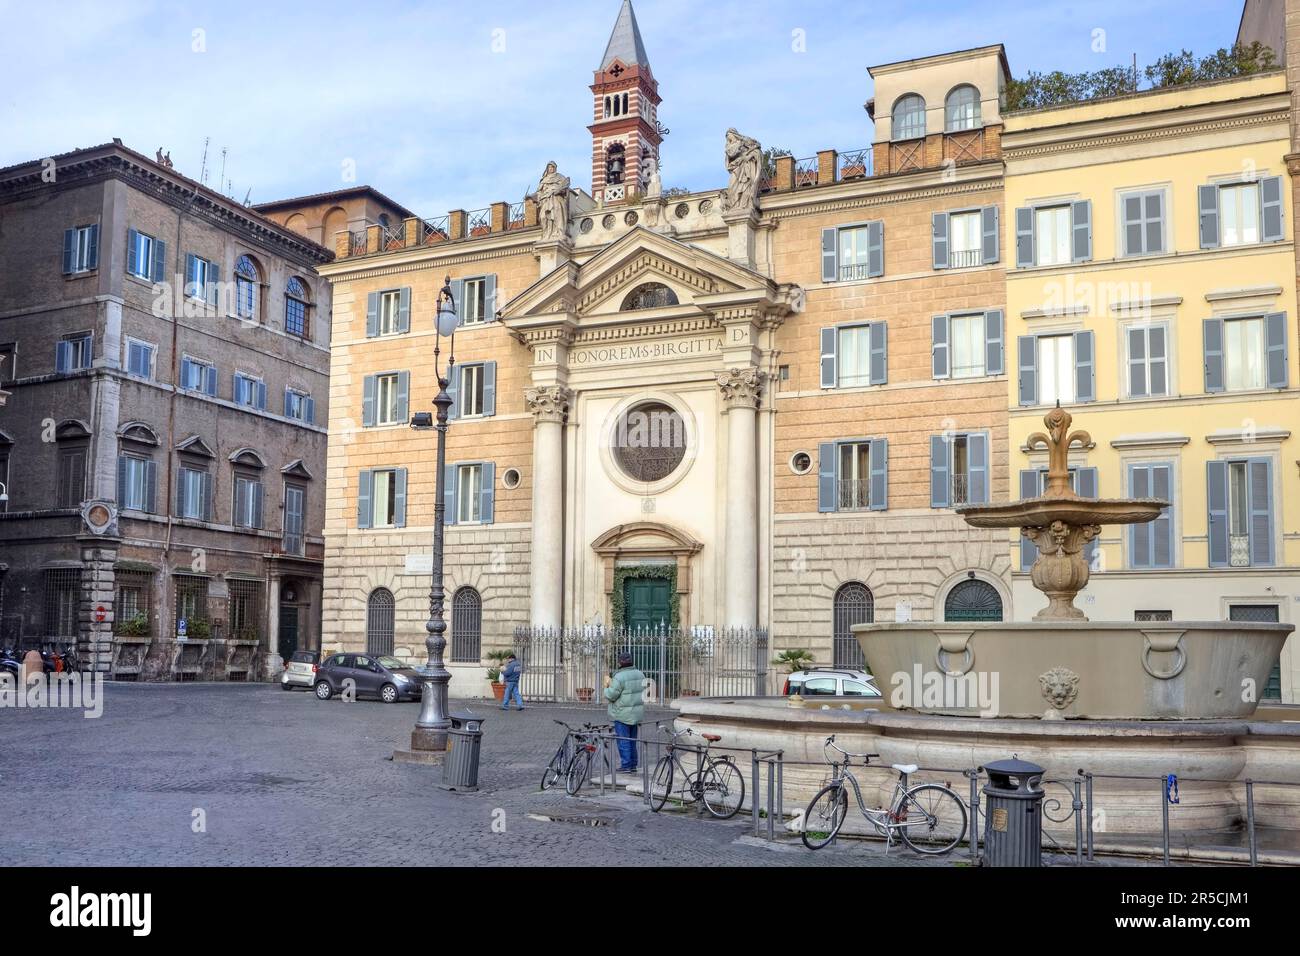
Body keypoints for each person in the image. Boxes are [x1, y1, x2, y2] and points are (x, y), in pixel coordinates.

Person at [603, 652, 646, 772]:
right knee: (632, 740)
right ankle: (633, 764)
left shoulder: (619, 677)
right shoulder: (640, 674)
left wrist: (606, 687)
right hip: (635, 713)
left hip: (622, 713)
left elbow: (611, 695)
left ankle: (626, 765)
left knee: (623, 741)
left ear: (620, 662)